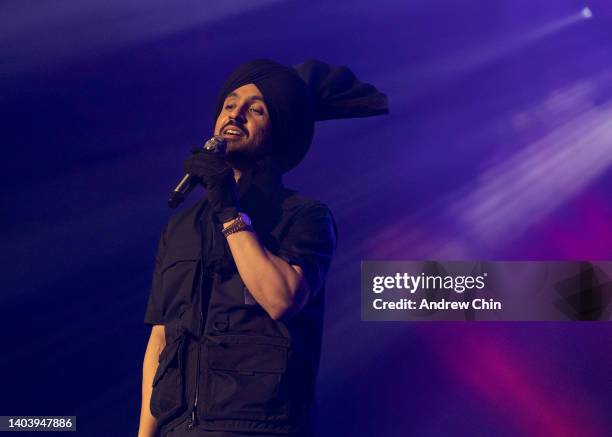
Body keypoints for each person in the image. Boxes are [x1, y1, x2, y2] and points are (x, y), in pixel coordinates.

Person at [138, 59, 387, 437]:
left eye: (255, 110)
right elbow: (160, 337)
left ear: (280, 132)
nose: (234, 115)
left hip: (258, 427)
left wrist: (228, 209)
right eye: (229, 105)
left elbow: (280, 297)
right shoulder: (180, 228)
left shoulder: (304, 216)